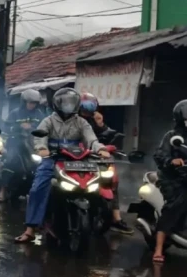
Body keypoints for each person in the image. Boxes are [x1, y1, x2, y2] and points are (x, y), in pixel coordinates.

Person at [14, 88, 110, 243]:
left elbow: (91, 140)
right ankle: (30, 229)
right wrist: (42, 148)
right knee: (38, 188)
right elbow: (40, 138)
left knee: (98, 183)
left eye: (71, 103)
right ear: (57, 104)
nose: (68, 106)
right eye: (65, 103)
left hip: (77, 160)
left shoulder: (81, 122)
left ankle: (101, 219)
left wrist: (101, 149)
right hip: (53, 159)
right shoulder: (48, 121)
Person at [78, 92, 133, 235]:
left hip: (96, 157)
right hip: (75, 158)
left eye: (90, 106)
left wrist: (101, 124)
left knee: (112, 181)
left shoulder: (94, 121)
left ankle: (116, 218)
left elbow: (107, 135)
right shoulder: (73, 120)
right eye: (84, 106)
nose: (87, 109)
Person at [0, 89, 48, 202]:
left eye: (34, 103)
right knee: (10, 162)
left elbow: (45, 130)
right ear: (23, 102)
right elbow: (5, 129)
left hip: (33, 145)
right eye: (30, 102)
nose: (31, 105)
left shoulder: (40, 115)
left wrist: (32, 128)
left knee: (43, 165)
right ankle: (2, 191)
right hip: (15, 144)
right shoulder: (15, 113)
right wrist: (19, 126)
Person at [151, 100, 187, 263]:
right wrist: (171, 161)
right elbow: (159, 155)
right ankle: (158, 249)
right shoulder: (172, 136)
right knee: (175, 204)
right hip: (172, 178)